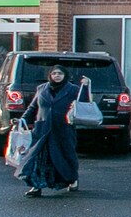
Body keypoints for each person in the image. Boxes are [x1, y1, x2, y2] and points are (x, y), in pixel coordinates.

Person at [15, 64, 82, 197]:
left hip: (63, 129)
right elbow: (33, 107)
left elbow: (84, 103)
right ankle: (36, 186)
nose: (57, 76)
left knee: (65, 156)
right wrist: (22, 120)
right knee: (37, 159)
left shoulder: (73, 90)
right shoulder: (41, 89)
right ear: (50, 75)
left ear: (65, 76)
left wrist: (86, 87)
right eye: (54, 73)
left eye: (60, 74)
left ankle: (72, 179)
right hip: (42, 130)